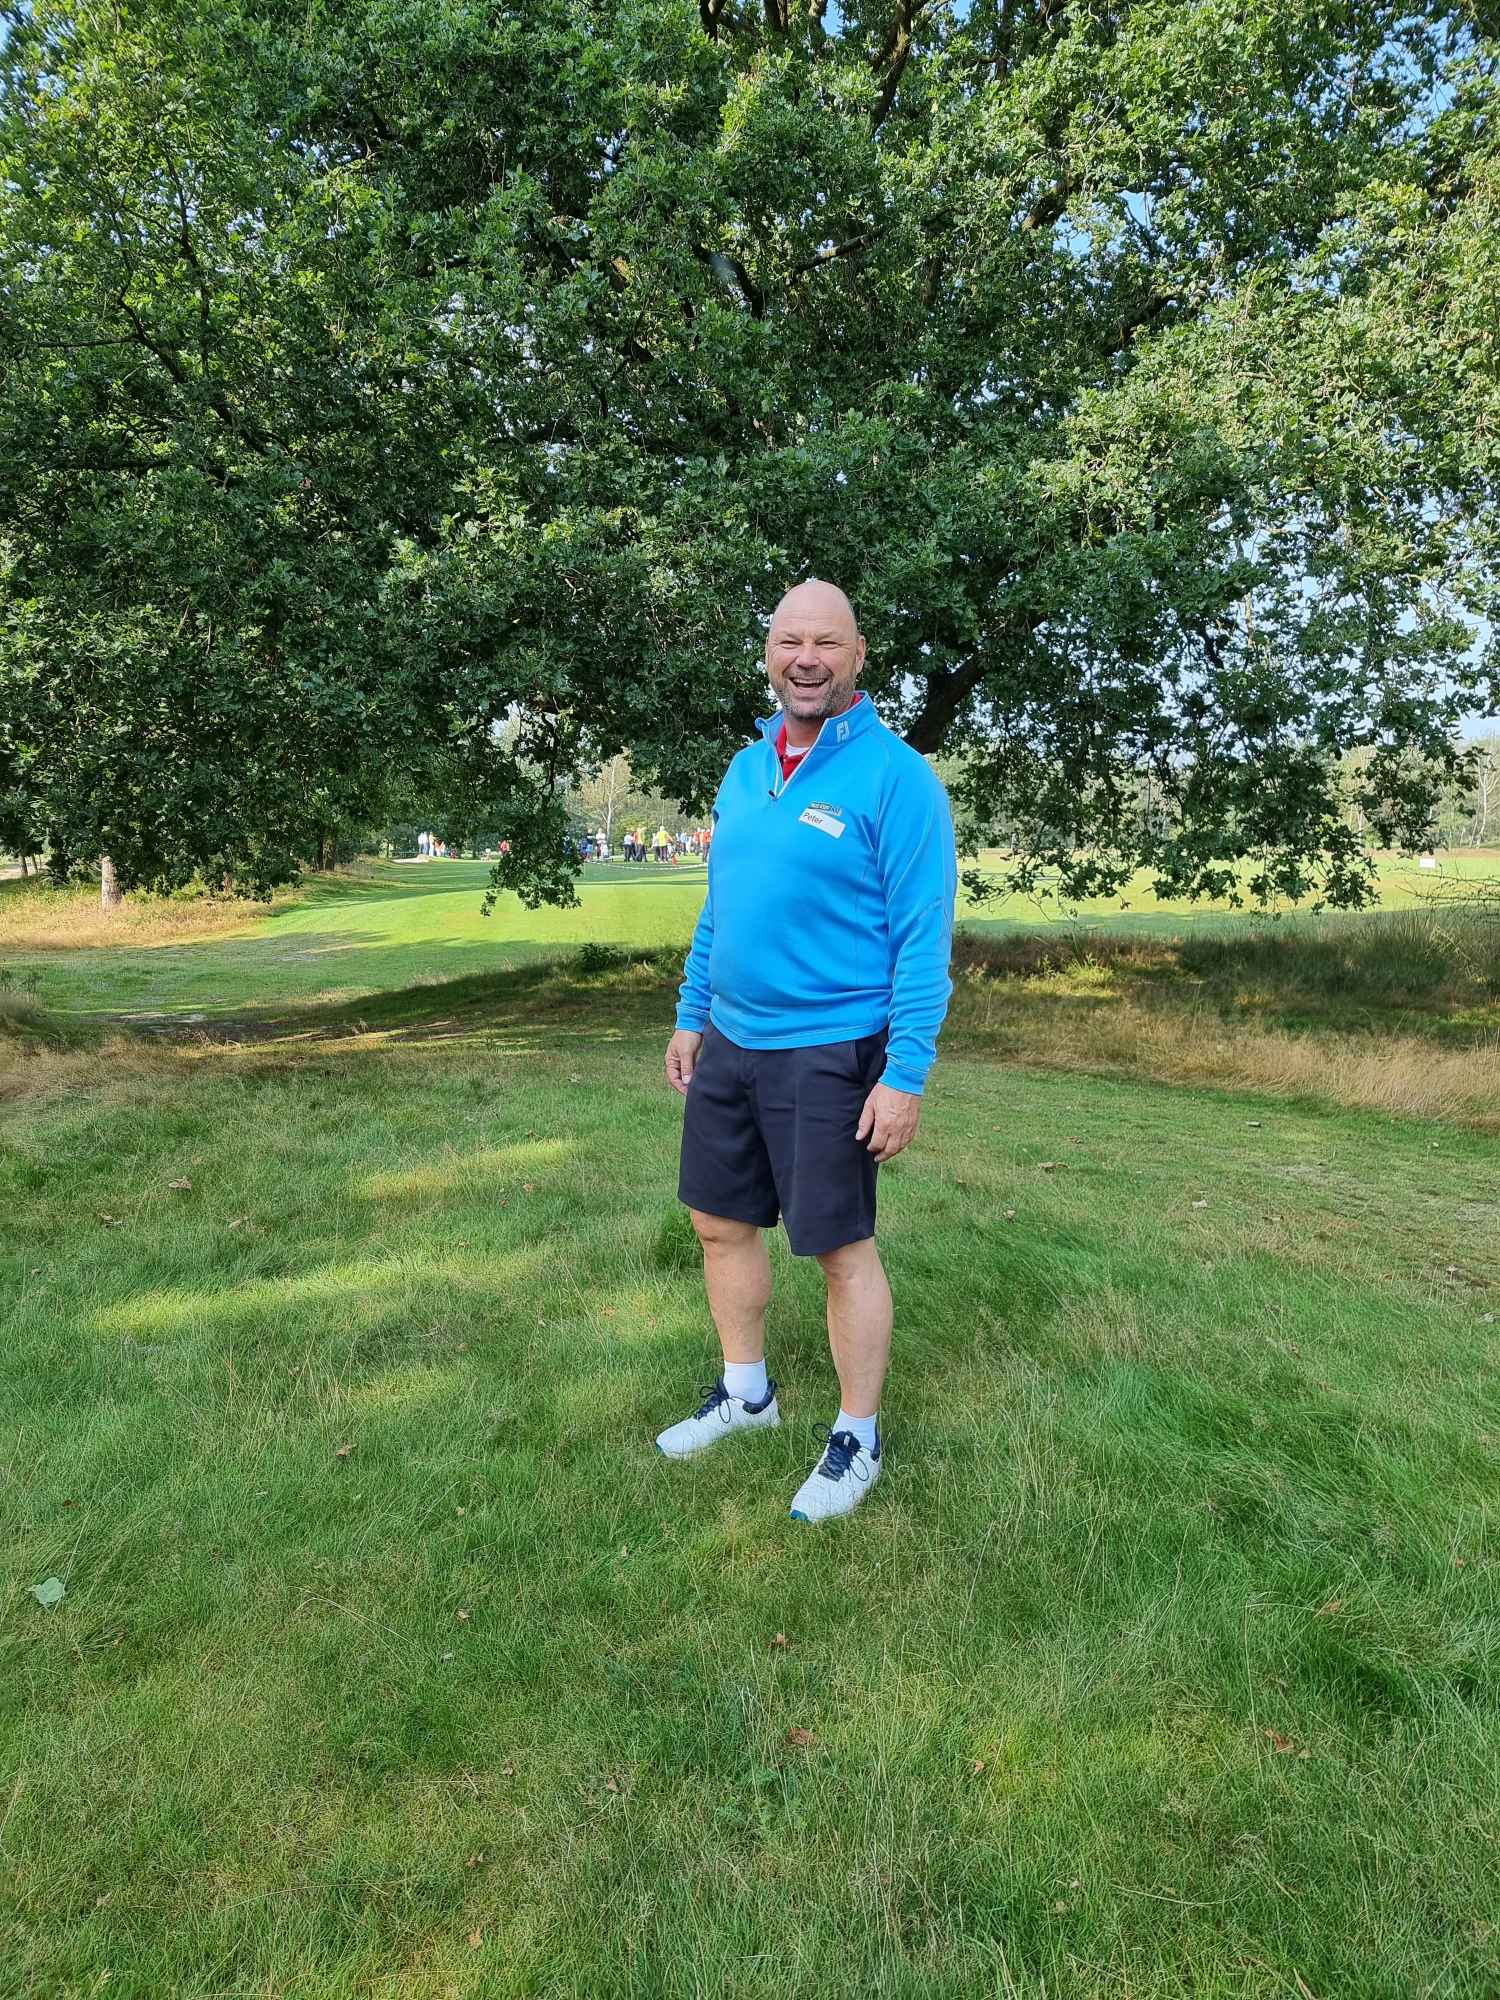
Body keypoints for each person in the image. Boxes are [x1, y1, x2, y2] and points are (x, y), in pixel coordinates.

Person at [660, 578, 956, 1523]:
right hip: (731, 1040)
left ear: (858, 656)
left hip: (829, 1050)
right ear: (769, 653)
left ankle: (857, 1437)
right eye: (791, 640)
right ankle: (747, 1393)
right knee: (718, 1223)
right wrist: (692, 1011)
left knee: (837, 1248)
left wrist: (904, 1074)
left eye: (827, 642)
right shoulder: (746, 770)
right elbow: (722, 905)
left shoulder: (897, 778)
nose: (807, 659)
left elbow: (923, 939)